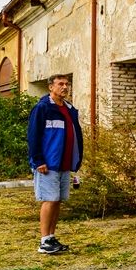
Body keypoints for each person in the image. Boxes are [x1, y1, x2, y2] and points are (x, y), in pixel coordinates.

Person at [27, 74, 83, 255]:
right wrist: (38, 160)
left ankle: (51, 237)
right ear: (51, 87)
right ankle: (44, 241)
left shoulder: (69, 109)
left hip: (64, 164)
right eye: (60, 84)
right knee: (49, 200)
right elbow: (33, 136)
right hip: (48, 164)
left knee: (57, 200)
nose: (65, 87)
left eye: (67, 84)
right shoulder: (42, 108)